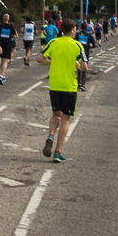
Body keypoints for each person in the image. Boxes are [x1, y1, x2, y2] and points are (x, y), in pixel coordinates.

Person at [38, 19, 86, 163]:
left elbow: (39, 59)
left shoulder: (53, 42)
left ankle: (50, 136)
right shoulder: (78, 45)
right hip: (69, 86)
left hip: (54, 85)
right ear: (72, 30)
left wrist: (51, 62)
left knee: (55, 114)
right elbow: (84, 67)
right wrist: (76, 65)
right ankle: (58, 151)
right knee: (66, 118)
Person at [0, 13, 16, 85]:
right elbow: (14, 35)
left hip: (0, 45)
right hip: (8, 45)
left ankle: (3, 75)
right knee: (5, 61)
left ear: (2, 19)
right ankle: (2, 75)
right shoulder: (11, 26)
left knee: (2, 60)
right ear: (8, 19)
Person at [74, 21, 95, 91]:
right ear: (86, 28)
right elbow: (94, 44)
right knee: (85, 68)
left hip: (78, 53)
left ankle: (78, 83)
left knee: (79, 67)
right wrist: (90, 47)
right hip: (85, 53)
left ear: (80, 27)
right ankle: (83, 84)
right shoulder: (89, 35)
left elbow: (74, 42)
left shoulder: (77, 34)